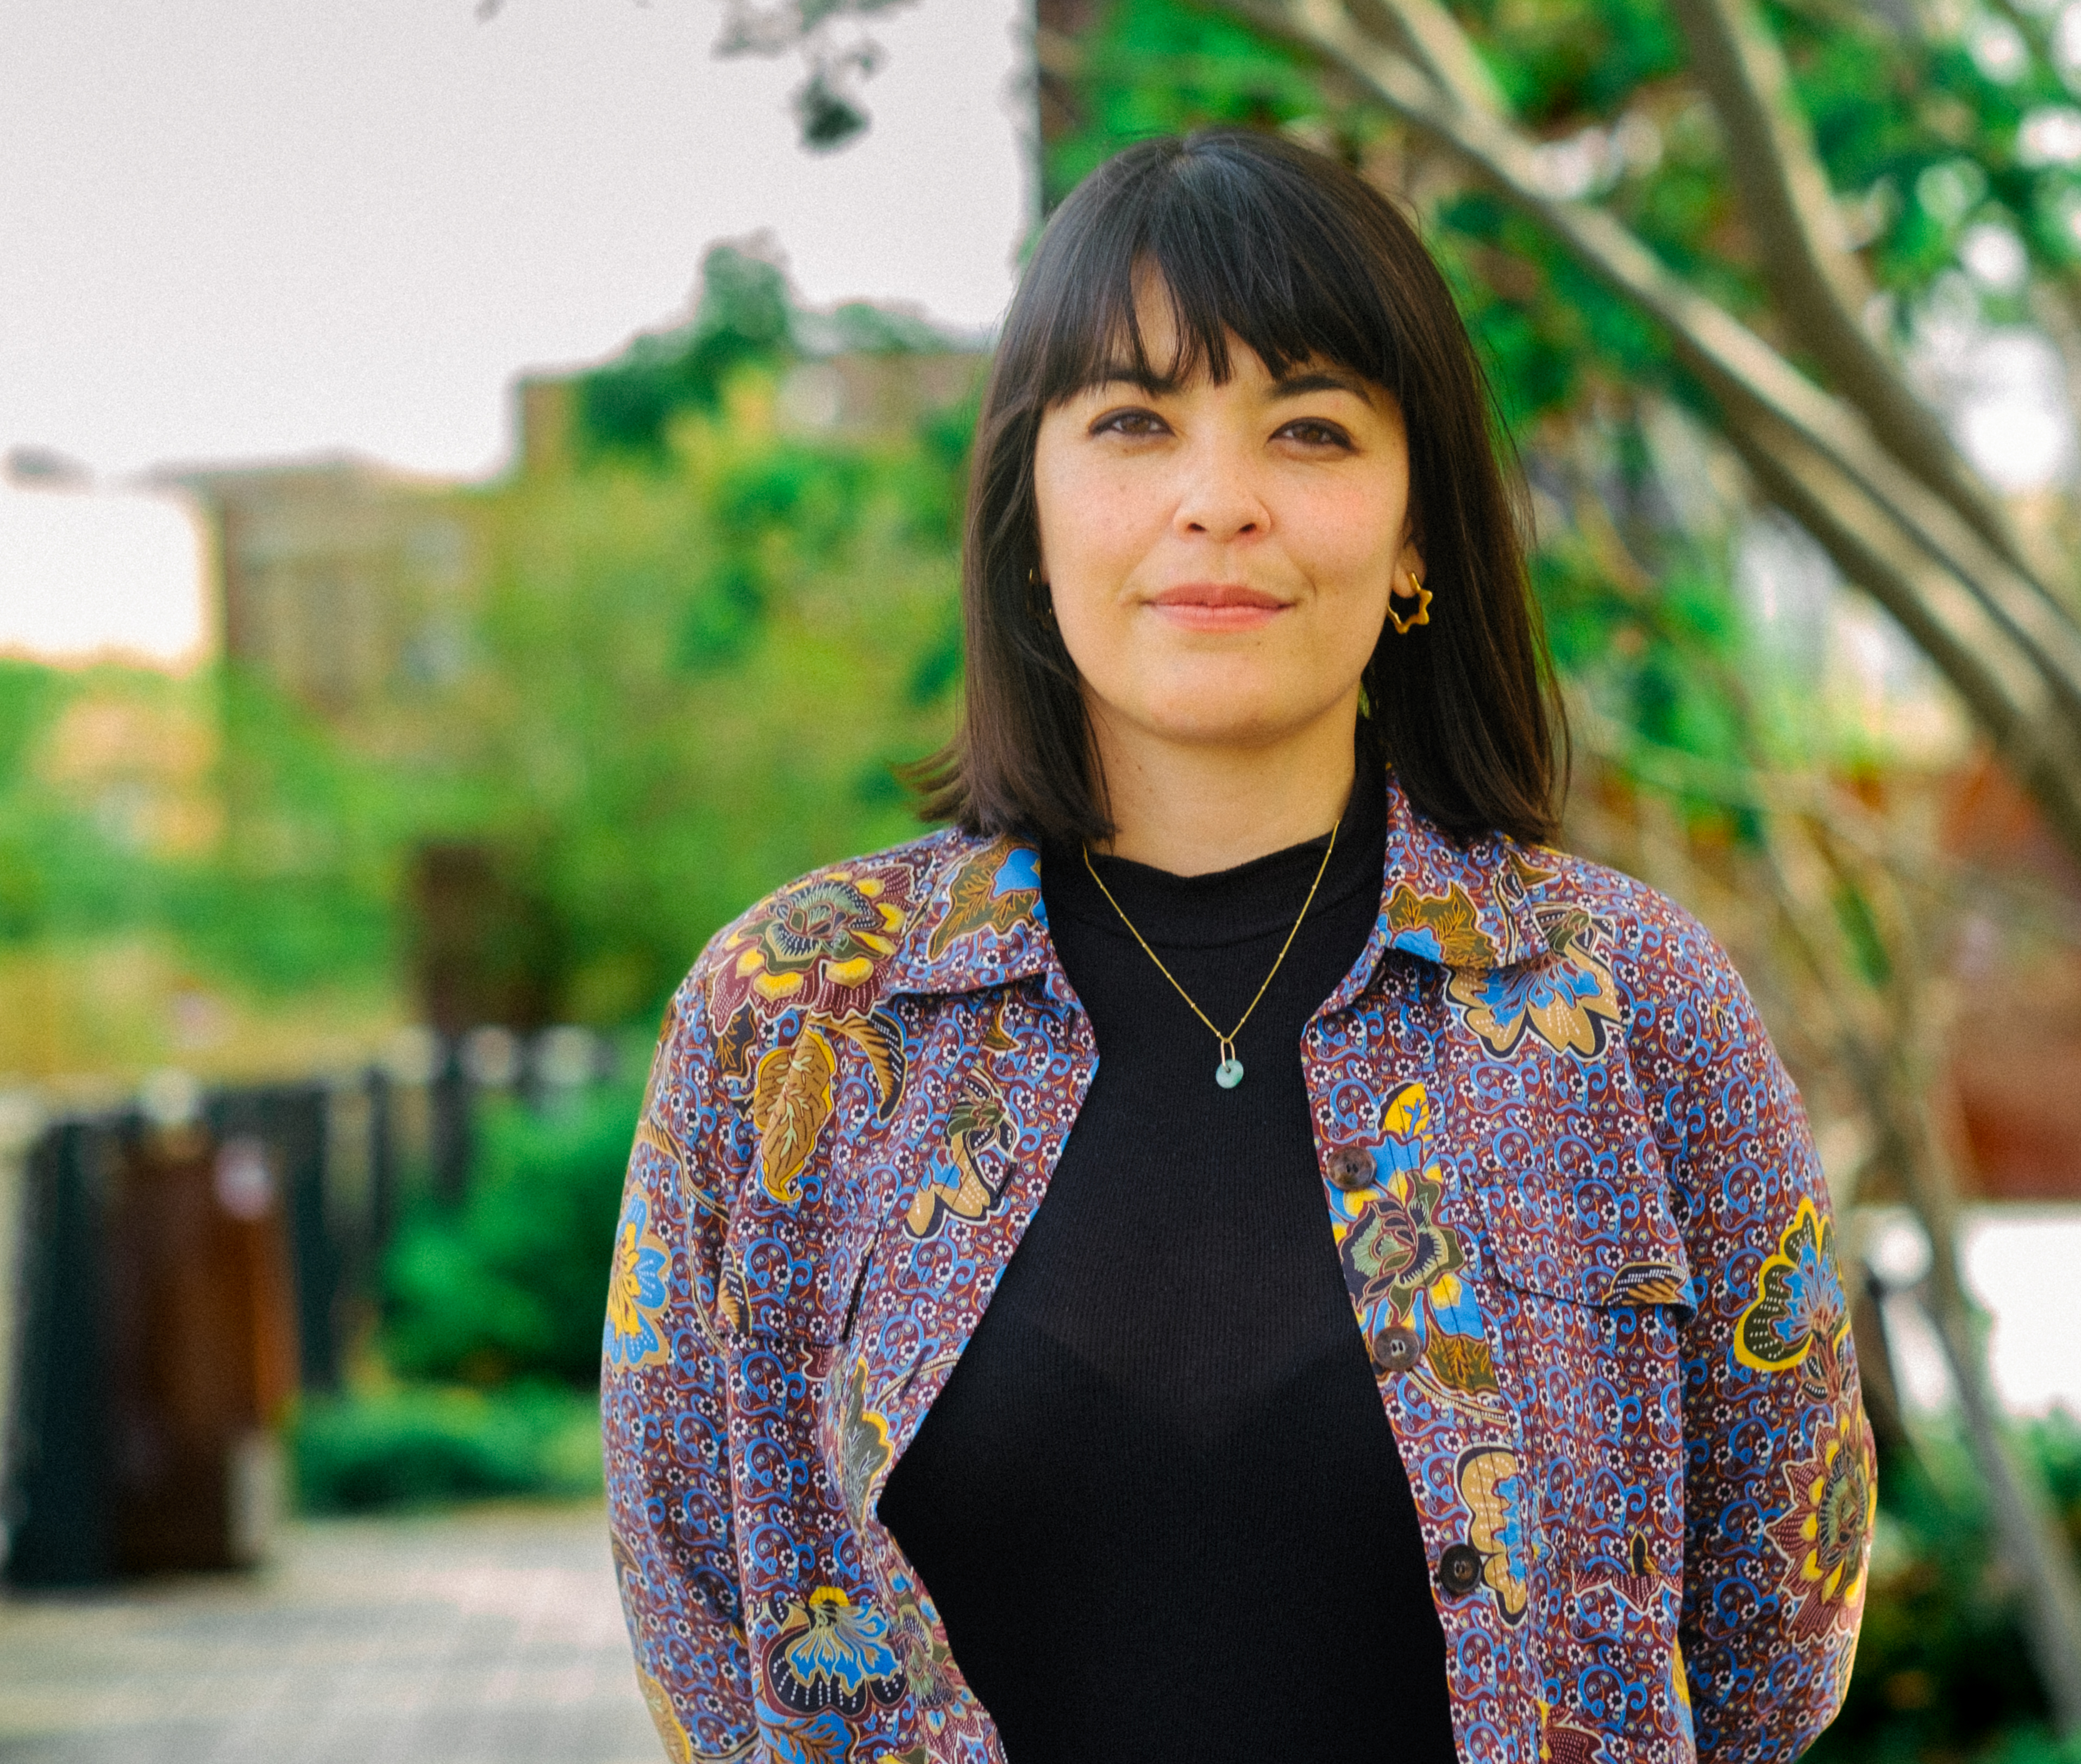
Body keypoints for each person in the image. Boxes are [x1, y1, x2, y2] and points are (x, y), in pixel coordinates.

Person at [603, 128, 1872, 1764]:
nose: (1219, 503)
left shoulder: (1624, 1003)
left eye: (1312, 429)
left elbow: (1780, 1627)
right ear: (1027, 511)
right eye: (1134, 423)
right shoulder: (794, 1017)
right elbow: (701, 1609)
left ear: (1416, 537)